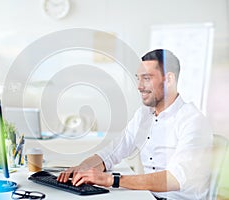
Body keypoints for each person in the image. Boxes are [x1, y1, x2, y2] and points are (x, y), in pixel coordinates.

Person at [57, 49, 212, 199]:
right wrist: (83, 168)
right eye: (138, 78)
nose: (139, 86)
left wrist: (112, 180)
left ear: (169, 80)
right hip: (146, 195)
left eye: (146, 78)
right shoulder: (144, 115)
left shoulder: (193, 120)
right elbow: (113, 152)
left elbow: (175, 178)